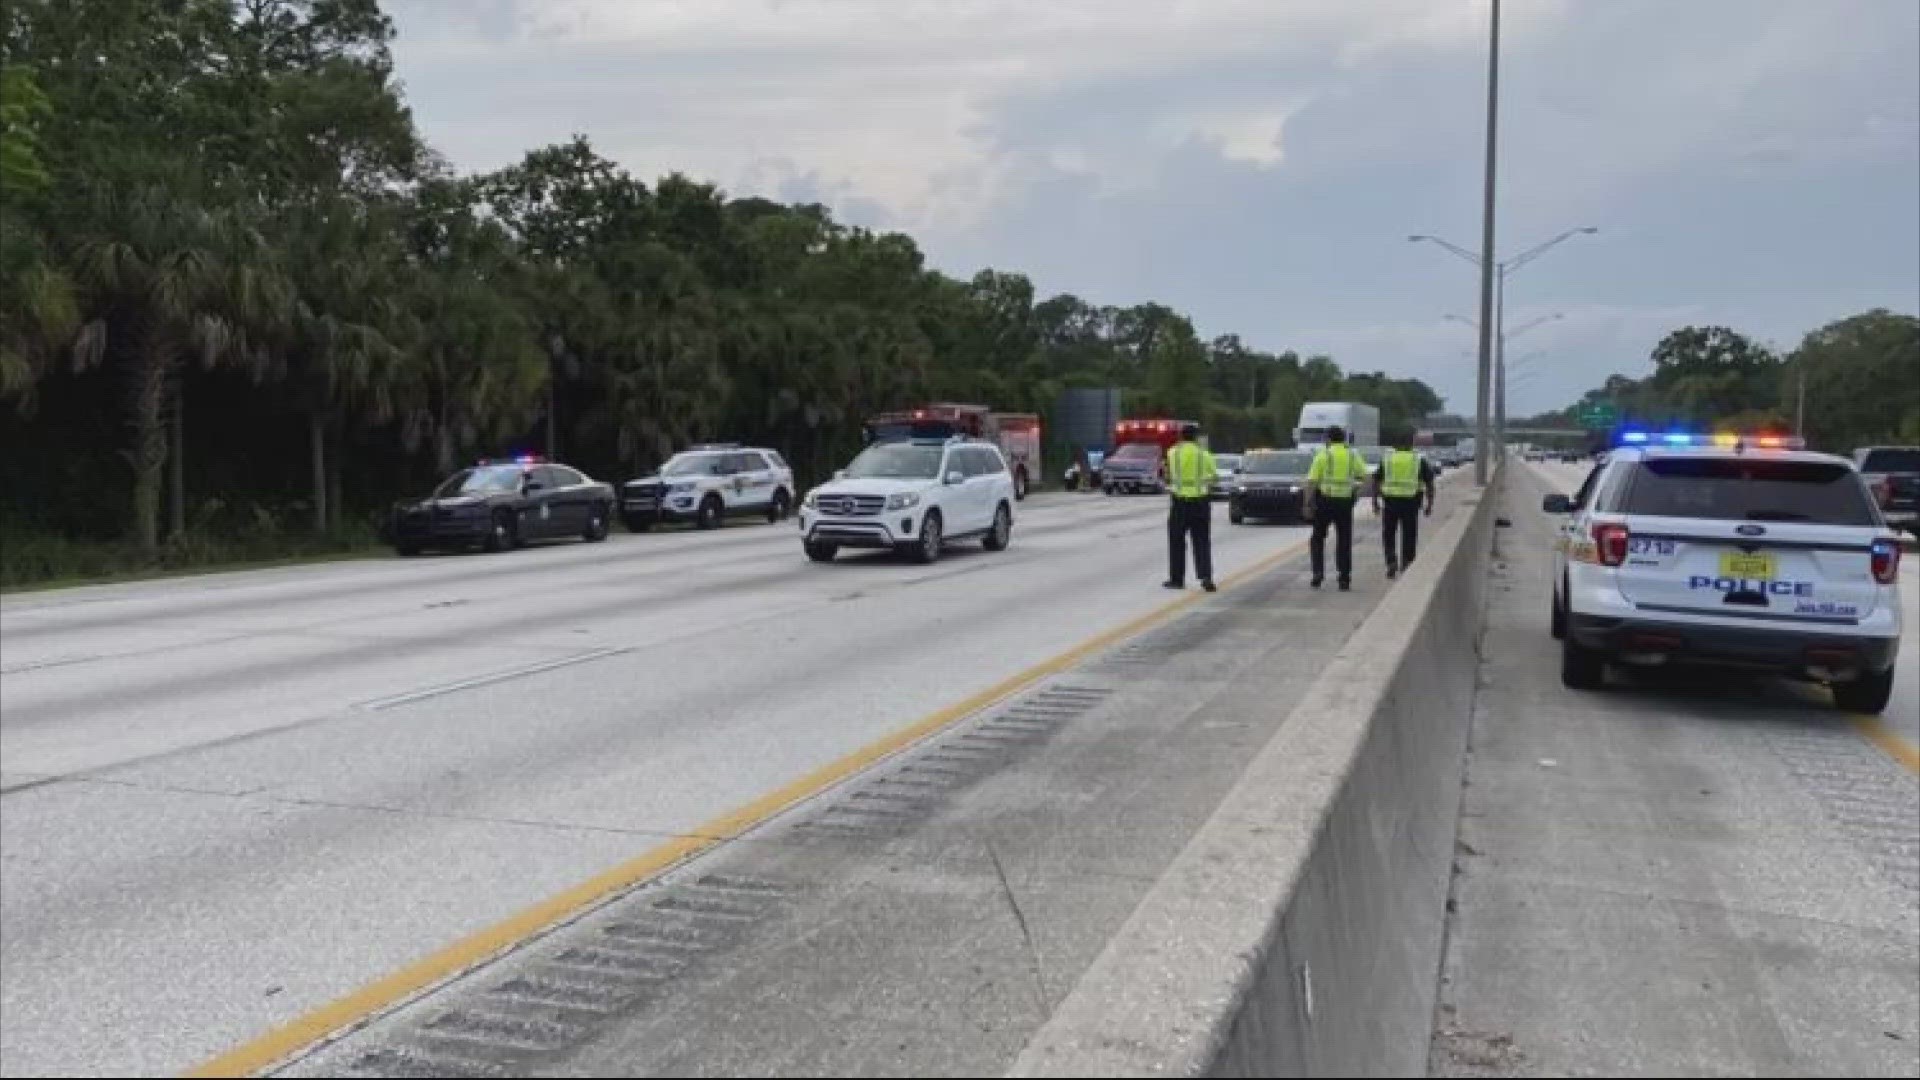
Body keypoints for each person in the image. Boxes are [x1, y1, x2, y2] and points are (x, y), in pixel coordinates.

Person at [1371, 432, 1437, 579]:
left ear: (1396, 445)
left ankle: (1391, 561)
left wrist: (1375, 502)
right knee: (1409, 534)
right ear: (1411, 444)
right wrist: (1430, 504)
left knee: (1388, 534)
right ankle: (1407, 563)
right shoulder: (1418, 459)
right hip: (1411, 502)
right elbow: (1430, 483)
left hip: (1390, 502)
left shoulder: (1388, 458)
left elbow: (1376, 480)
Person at [1304, 425, 1361, 590]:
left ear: (1328, 439)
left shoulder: (1323, 455)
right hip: (1345, 502)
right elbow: (1366, 477)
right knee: (1344, 540)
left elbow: (1312, 482)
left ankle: (1318, 573)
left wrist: (1307, 504)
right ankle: (1344, 578)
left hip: (1325, 502)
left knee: (1317, 538)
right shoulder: (1352, 455)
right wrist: (1355, 495)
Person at [1164, 422, 1218, 592]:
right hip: (1200, 502)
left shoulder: (1173, 453)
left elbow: (1168, 475)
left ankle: (1177, 579)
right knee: (1202, 541)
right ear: (1196, 437)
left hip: (1179, 502)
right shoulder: (1205, 454)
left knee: (1176, 541)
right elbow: (1214, 478)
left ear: (1181, 436)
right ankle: (1206, 577)